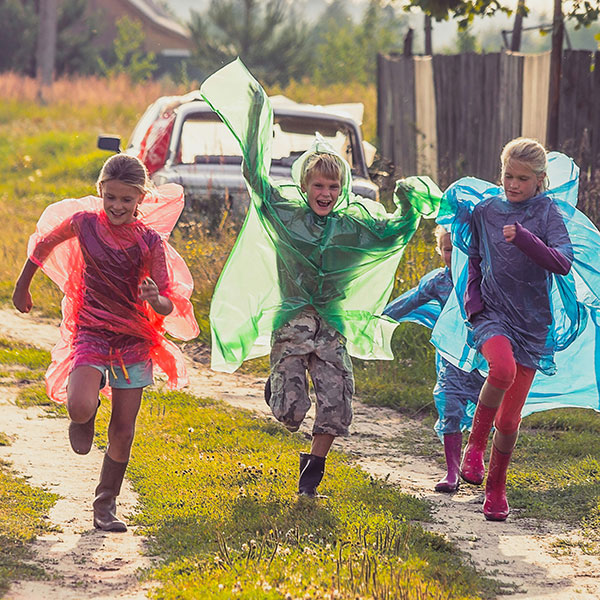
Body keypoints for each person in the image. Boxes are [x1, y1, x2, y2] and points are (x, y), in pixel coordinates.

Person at [201, 59, 432, 498]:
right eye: (317, 186)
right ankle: (278, 386)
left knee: (336, 402)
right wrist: (254, 121)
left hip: (332, 327)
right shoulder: (286, 217)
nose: (324, 194)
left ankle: (314, 469)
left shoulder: (354, 226)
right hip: (292, 323)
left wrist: (407, 201)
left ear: (341, 188)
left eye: (332, 187)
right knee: (289, 412)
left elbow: (395, 232)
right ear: (305, 186)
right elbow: (255, 179)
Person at [12, 154, 199, 531]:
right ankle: (85, 414)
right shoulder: (84, 224)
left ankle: (105, 504)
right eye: (110, 197)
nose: (117, 206)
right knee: (80, 405)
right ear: (101, 191)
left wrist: (153, 297)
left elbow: (167, 303)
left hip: (134, 339)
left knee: (124, 429)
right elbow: (43, 245)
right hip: (91, 331)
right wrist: (22, 284)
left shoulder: (149, 243)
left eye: (126, 200)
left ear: (140, 199)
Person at [457, 138, 573, 521]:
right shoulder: (486, 211)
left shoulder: (547, 213)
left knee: (509, 421)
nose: (513, 184)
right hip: (491, 314)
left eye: (523, 178)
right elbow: (474, 258)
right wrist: (473, 304)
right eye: (508, 175)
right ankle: (473, 447)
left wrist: (525, 238)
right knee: (501, 370)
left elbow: (562, 263)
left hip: (532, 324)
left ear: (540, 180)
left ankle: (496, 489)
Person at [383, 225, 484, 493]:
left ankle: (475, 459)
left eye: (460, 248)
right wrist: (380, 318)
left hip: (483, 361)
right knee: (449, 407)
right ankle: (451, 472)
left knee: (485, 414)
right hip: (450, 362)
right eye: (448, 249)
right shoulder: (438, 282)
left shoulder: (486, 279)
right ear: (440, 251)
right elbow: (411, 300)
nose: (454, 254)